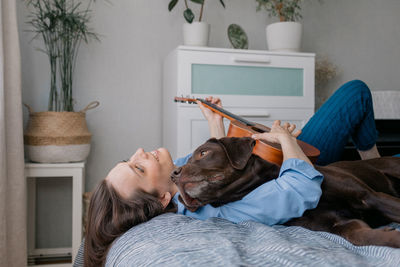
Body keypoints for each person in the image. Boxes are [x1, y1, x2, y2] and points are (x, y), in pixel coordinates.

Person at [84, 80, 381, 266]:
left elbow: (214, 164)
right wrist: (285, 139)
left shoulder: (178, 178)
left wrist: (215, 125)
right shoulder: (210, 210)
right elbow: (300, 188)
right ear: (162, 199)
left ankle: (374, 163)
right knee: (355, 93)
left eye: (128, 158)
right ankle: (375, 161)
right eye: (138, 167)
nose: (139, 152)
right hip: (288, 158)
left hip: (267, 153)